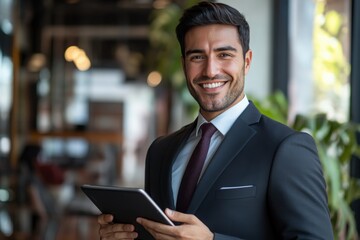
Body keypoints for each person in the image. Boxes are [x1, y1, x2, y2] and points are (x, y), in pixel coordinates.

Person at [98, 1, 334, 239]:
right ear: (183, 66)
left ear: (247, 61)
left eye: (224, 55)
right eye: (197, 56)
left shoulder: (285, 148)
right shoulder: (161, 151)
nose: (210, 70)